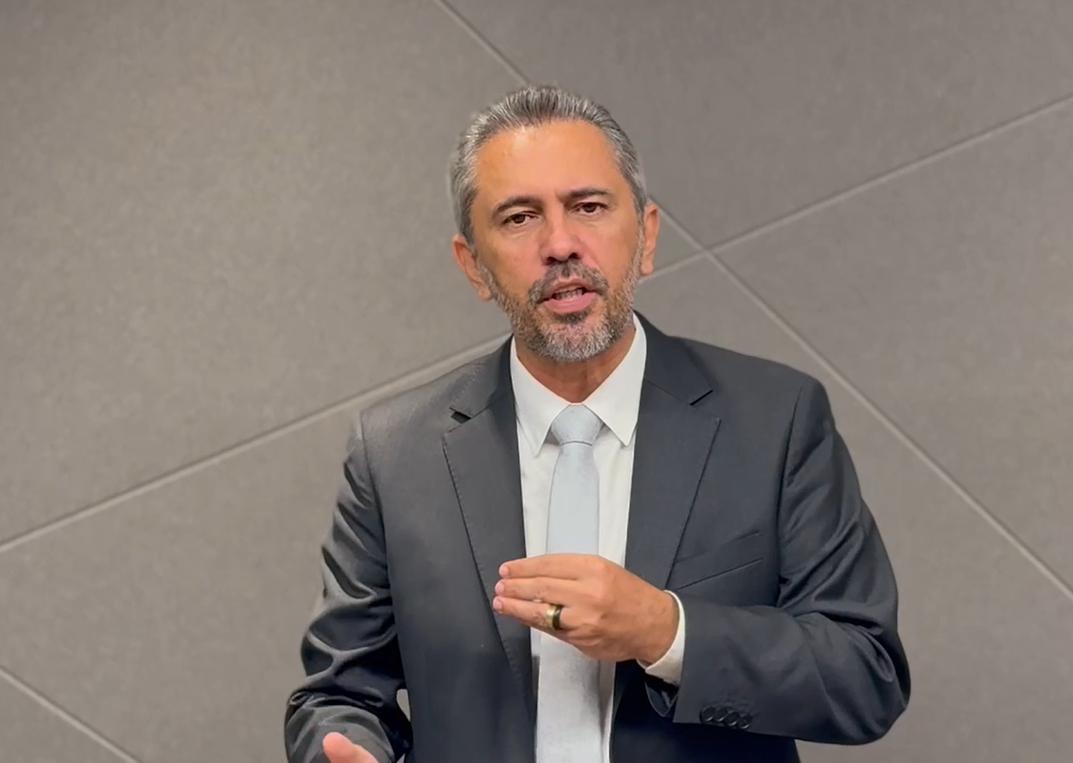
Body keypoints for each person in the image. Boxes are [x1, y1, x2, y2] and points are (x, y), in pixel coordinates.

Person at [284, 84, 910, 763]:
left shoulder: (776, 421)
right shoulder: (394, 453)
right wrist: (345, 749)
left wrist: (666, 631)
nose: (560, 244)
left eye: (588, 206)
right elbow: (338, 694)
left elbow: (864, 672)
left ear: (646, 236)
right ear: (474, 265)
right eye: (520, 217)